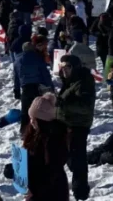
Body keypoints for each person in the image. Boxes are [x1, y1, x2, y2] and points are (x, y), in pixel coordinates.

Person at [57, 55, 96, 200]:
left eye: (68, 67)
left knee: (77, 158)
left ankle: (81, 191)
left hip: (78, 125)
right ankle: (79, 181)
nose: (64, 70)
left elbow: (85, 106)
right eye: (62, 67)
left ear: (75, 67)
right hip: (67, 123)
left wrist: (62, 104)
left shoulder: (83, 82)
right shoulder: (70, 80)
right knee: (70, 156)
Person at [23, 94, 69, 201]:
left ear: (43, 120)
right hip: (36, 189)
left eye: (34, 119)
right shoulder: (34, 133)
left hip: (50, 192)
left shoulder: (54, 138)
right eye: (31, 118)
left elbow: (52, 171)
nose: (31, 121)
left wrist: (34, 191)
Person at [16, 34, 53, 134]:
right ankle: (37, 130)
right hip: (37, 87)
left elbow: (16, 76)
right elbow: (44, 73)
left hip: (25, 88)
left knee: (25, 110)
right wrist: (50, 86)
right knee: (37, 109)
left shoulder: (18, 60)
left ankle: (23, 131)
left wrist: (16, 90)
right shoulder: (37, 57)